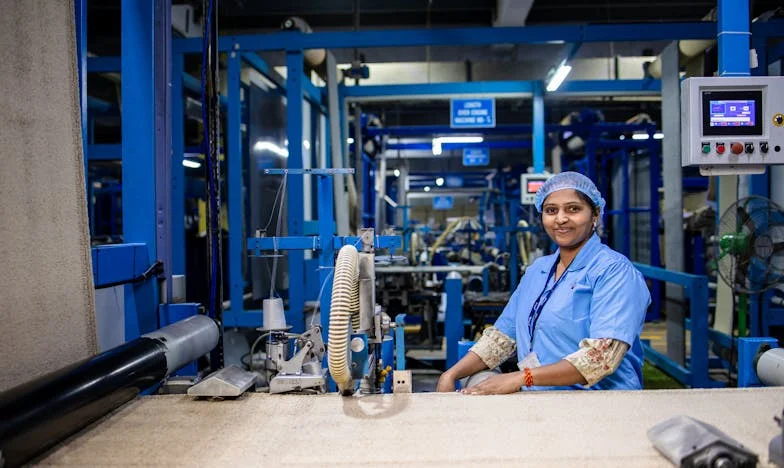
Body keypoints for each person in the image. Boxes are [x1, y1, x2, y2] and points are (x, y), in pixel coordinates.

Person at [436, 172, 650, 394]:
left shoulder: (614, 272)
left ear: (595, 214)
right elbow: (501, 338)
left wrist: (522, 377)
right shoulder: (538, 271)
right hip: (541, 398)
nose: (560, 219)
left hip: (602, 403)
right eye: (551, 210)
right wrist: (451, 374)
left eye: (573, 209)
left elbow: (601, 357)